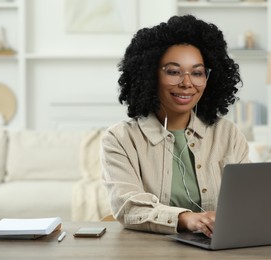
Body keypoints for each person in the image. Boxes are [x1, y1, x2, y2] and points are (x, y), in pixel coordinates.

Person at [101, 15, 250, 238]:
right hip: (149, 251)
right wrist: (186, 219)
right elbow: (128, 207)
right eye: (173, 71)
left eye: (197, 73)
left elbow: (248, 201)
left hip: (218, 248)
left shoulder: (227, 134)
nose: (187, 83)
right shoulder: (120, 139)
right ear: (150, 73)